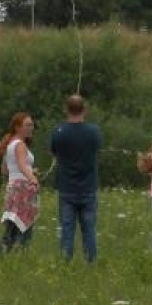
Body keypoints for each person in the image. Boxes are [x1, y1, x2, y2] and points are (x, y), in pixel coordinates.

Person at [48, 93, 103, 263]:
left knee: (67, 229)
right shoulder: (94, 131)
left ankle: (66, 262)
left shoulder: (59, 132)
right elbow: (98, 147)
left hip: (67, 189)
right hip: (88, 188)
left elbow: (53, 152)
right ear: (84, 109)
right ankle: (91, 262)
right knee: (89, 229)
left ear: (66, 110)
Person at [0, 112, 40, 258]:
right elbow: (21, 165)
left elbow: (5, 170)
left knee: (12, 229)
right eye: (27, 125)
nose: (31, 128)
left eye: (31, 124)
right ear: (17, 127)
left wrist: (29, 171)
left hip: (13, 188)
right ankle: (22, 258)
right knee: (25, 227)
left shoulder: (10, 143)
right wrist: (33, 178)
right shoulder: (19, 144)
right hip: (23, 190)